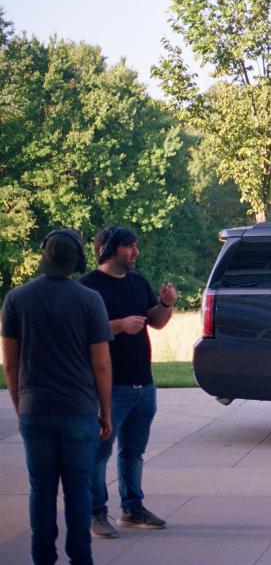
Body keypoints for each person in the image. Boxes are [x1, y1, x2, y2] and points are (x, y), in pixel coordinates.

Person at [2, 230, 113, 565]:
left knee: (42, 489)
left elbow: (10, 363)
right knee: (79, 490)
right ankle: (80, 558)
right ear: (76, 260)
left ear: (44, 254)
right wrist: (105, 413)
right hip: (79, 410)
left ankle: (43, 558)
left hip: (36, 409)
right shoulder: (90, 300)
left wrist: (21, 408)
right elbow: (102, 363)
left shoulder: (16, 299)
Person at [81, 225, 177, 537]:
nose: (135, 252)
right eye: (128, 246)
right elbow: (82, 334)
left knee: (133, 451)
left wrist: (165, 304)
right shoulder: (89, 287)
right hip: (110, 386)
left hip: (143, 384)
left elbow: (157, 323)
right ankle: (96, 513)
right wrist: (119, 326)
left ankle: (132, 509)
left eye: (135, 245)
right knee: (99, 453)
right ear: (108, 249)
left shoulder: (137, 282)